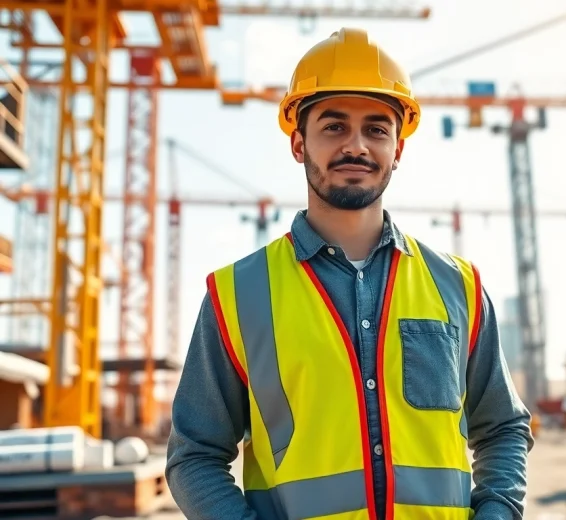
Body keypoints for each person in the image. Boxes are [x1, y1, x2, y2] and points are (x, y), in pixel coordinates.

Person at [165, 27, 534, 520]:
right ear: (299, 144)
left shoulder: (459, 286)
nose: (356, 146)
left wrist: (498, 513)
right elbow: (194, 456)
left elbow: (505, 427)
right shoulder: (237, 294)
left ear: (398, 150)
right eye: (334, 127)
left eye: (377, 129)